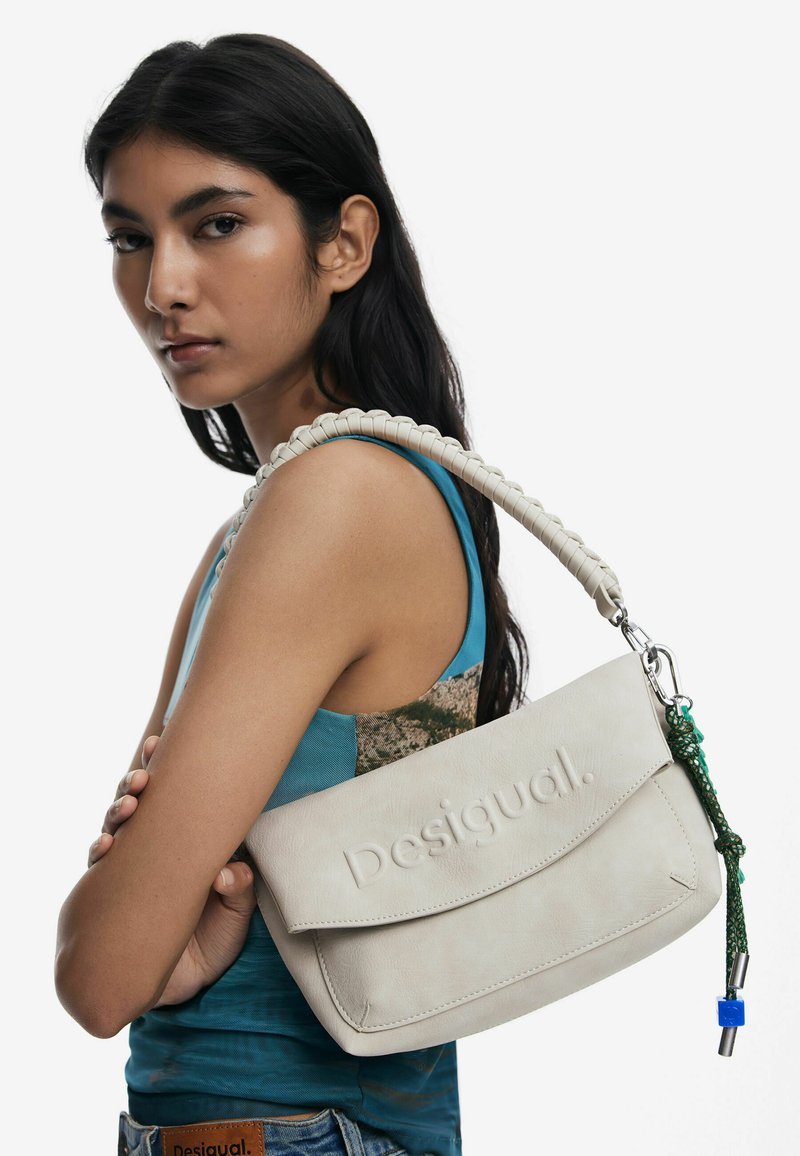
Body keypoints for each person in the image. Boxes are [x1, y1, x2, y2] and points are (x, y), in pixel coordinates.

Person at [55, 32, 529, 1156]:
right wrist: (155, 937)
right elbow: (125, 955)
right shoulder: (296, 515)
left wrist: (148, 923)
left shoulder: (336, 500)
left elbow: (98, 972)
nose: (163, 286)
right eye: (130, 237)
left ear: (344, 244)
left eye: (216, 224)